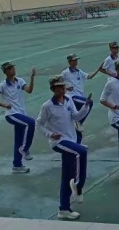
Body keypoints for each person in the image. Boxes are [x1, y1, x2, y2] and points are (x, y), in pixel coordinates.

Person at [35, 76, 93, 220]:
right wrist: (50, 134)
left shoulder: (69, 100)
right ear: (53, 89)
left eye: (63, 86)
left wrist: (86, 106)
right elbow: (39, 124)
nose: (62, 88)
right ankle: (78, 185)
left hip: (71, 140)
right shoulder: (47, 106)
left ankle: (64, 209)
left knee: (67, 175)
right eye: (59, 87)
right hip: (59, 142)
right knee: (81, 151)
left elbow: (76, 117)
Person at [0, 62, 37, 173]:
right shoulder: (2, 85)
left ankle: (17, 165)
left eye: (12, 68)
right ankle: (25, 149)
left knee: (18, 140)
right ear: (5, 72)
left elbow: (29, 90)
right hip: (11, 114)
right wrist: (4, 105)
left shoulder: (20, 81)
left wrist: (32, 77)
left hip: (21, 114)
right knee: (31, 123)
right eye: (9, 69)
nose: (12, 70)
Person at [61, 54, 101, 141]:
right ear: (69, 62)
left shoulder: (79, 71)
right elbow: (59, 83)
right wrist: (66, 88)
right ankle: (79, 122)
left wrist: (98, 70)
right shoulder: (65, 73)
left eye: (76, 60)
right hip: (72, 97)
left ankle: (78, 141)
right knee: (89, 102)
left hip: (80, 97)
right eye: (74, 60)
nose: (76, 62)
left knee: (75, 123)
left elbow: (89, 76)